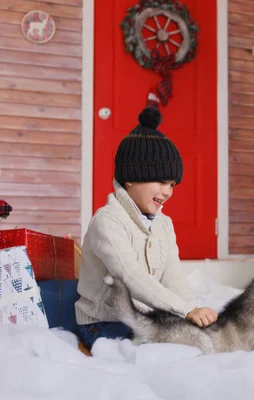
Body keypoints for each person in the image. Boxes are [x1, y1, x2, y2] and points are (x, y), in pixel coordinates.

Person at [75, 106, 217, 349]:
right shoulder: (108, 221)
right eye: (161, 182)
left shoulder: (164, 224)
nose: (167, 192)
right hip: (104, 322)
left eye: (172, 185)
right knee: (148, 352)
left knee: (190, 343)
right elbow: (131, 278)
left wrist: (193, 314)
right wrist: (184, 310)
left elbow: (174, 276)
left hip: (143, 318)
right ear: (131, 177)